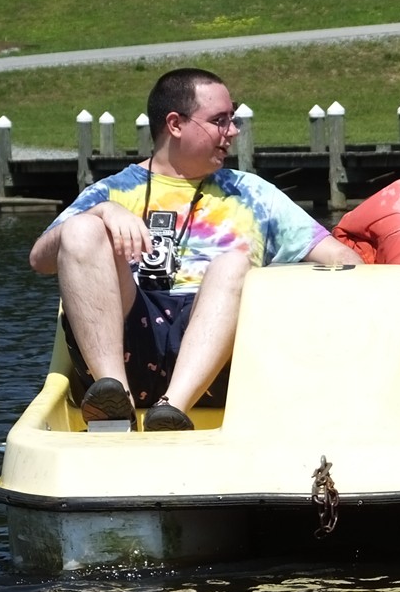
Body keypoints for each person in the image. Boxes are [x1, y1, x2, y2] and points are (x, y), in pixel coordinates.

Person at [30, 67, 362, 431]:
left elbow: (342, 259)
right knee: (80, 228)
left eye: (233, 120)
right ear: (175, 124)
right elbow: (40, 260)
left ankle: (173, 408)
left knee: (233, 264)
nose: (232, 131)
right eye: (220, 121)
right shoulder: (113, 191)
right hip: (125, 344)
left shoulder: (254, 194)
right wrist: (102, 212)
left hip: (221, 358)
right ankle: (114, 401)